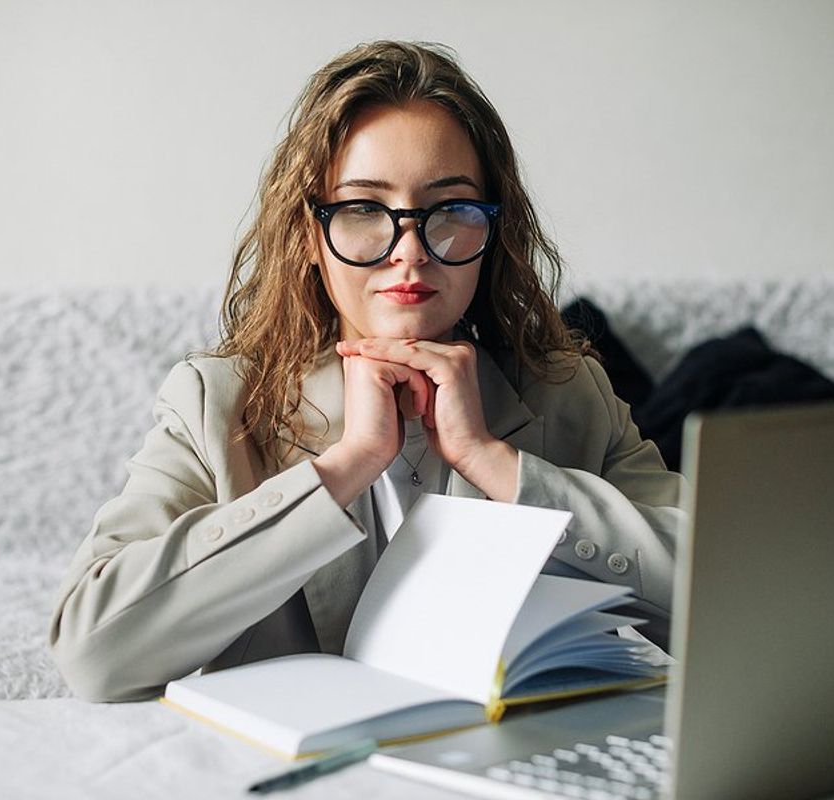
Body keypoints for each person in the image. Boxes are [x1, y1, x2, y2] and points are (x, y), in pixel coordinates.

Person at [49, 40, 686, 702]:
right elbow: (94, 655)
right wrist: (342, 467)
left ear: (491, 234)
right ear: (308, 236)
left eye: (451, 210)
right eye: (361, 210)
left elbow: (733, 602)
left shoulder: (567, 392)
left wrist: (497, 464)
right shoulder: (218, 401)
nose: (410, 251)